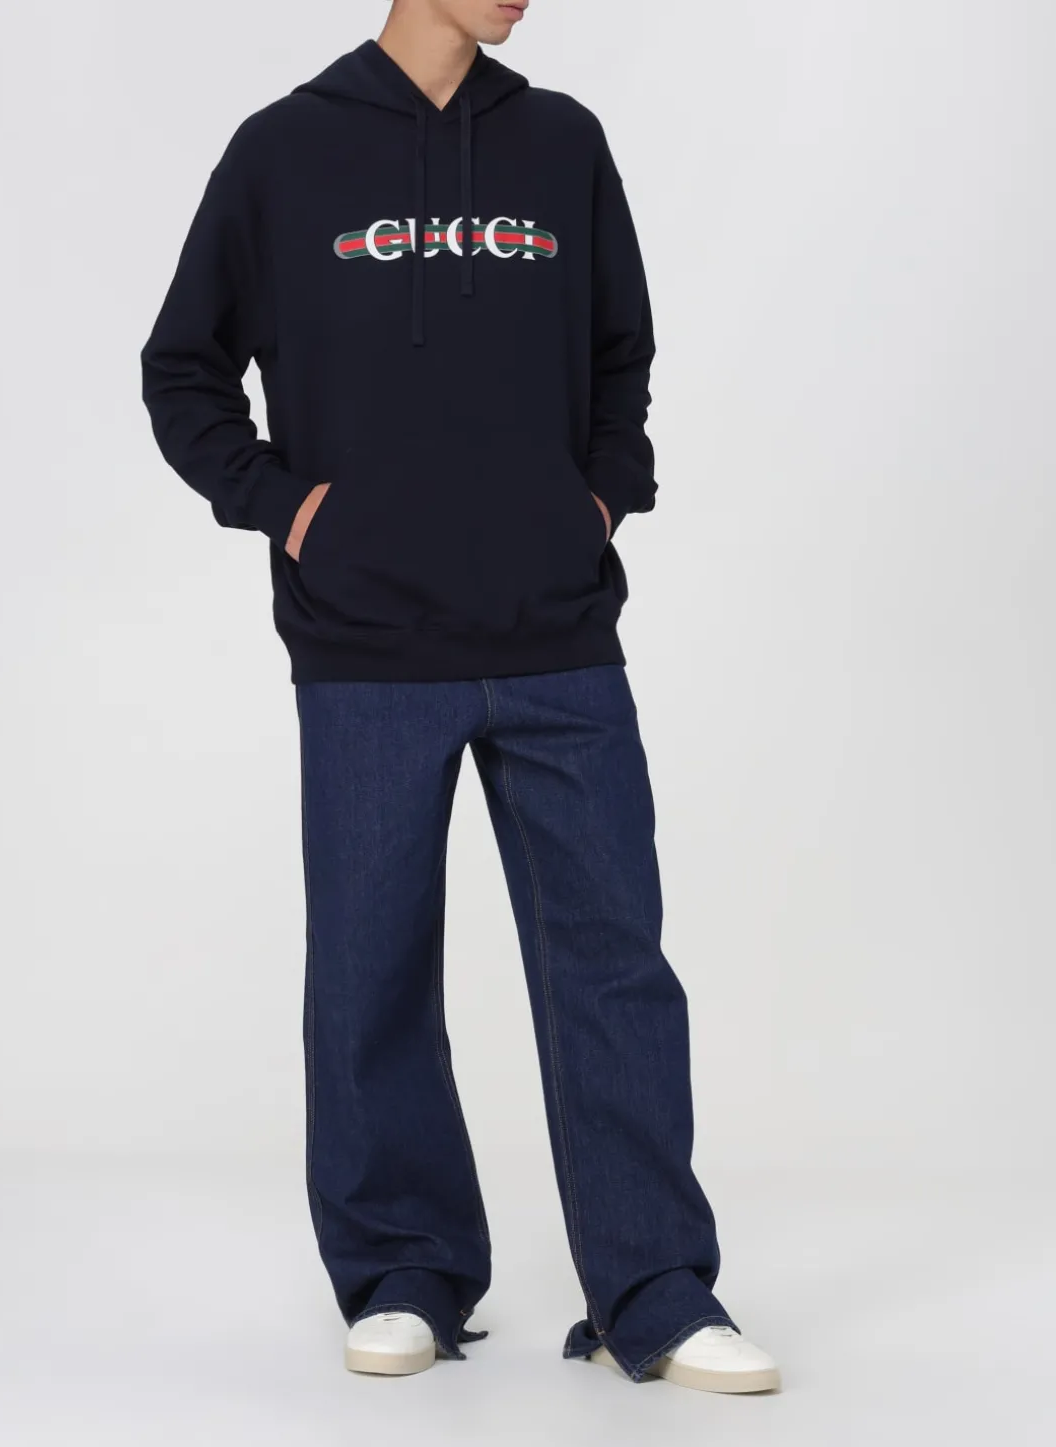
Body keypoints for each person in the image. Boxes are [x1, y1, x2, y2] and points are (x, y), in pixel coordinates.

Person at [140, 0, 780, 1393]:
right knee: (369, 964)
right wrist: (285, 510)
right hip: (366, 640)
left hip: (558, 634)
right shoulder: (283, 152)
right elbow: (182, 368)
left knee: (613, 962)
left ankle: (656, 1290)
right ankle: (405, 1270)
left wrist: (597, 502)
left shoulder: (562, 144)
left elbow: (620, 354)